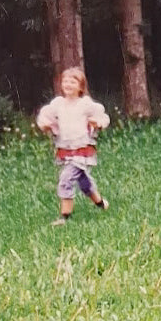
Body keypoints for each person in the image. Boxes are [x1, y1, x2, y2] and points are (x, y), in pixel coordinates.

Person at [36, 66, 110, 225]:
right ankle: (100, 203)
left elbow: (102, 117)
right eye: (65, 81)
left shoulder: (85, 104)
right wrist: (45, 125)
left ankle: (65, 217)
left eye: (73, 82)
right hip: (66, 149)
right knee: (83, 181)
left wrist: (98, 123)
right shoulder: (58, 104)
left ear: (81, 87)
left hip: (82, 149)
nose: (68, 84)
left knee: (66, 179)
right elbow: (44, 117)